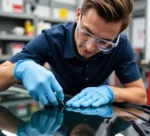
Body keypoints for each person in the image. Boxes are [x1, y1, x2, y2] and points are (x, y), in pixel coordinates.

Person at [0, 0, 147, 107]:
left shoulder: (121, 45)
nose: (89, 47)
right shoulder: (51, 39)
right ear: (78, 15)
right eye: (86, 32)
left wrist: (110, 92)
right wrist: (19, 69)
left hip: (98, 116)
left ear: (117, 35)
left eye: (104, 42)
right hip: (58, 111)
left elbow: (140, 96)